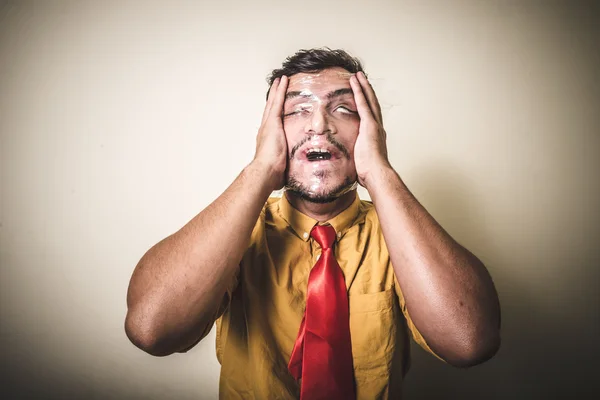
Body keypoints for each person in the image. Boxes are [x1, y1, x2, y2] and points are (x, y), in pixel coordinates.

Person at [125, 48, 501, 399]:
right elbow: (152, 331)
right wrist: (259, 169)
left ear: (370, 129)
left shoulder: (400, 236)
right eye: (297, 110)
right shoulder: (238, 234)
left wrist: (380, 171)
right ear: (271, 128)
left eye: (343, 109)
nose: (319, 126)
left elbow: (470, 342)